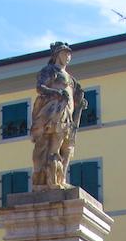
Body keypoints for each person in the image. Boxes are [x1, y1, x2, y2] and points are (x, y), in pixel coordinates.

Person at [30, 41, 86, 190]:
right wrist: (56, 93)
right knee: (52, 145)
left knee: (67, 148)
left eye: (69, 54)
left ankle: (60, 178)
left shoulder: (71, 78)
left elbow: (75, 96)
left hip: (68, 113)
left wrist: (80, 102)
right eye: (64, 53)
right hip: (54, 112)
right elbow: (40, 87)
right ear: (57, 55)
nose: (68, 56)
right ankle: (50, 180)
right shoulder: (49, 70)